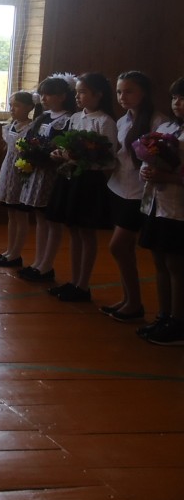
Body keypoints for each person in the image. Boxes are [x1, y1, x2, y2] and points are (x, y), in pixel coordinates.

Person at [45, 72, 118, 302]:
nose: (77, 97)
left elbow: (109, 160)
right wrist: (61, 154)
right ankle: (74, 281)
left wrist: (80, 158)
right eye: (76, 92)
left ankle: (83, 284)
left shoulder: (105, 121)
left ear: (98, 94)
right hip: (72, 178)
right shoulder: (76, 117)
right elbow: (70, 146)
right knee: (74, 232)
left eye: (83, 92)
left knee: (86, 233)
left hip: (89, 181)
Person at [102, 71, 168, 321]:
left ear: (144, 93)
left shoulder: (158, 122)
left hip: (140, 193)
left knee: (118, 246)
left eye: (129, 91)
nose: (123, 97)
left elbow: (163, 158)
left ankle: (135, 303)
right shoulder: (123, 121)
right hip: (118, 188)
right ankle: (130, 300)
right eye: (119, 92)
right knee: (125, 249)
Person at [136, 77, 184, 345]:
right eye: (175, 98)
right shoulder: (167, 127)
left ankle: (178, 321)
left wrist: (169, 177)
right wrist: (147, 170)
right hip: (157, 204)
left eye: (183, 99)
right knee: (159, 261)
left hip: (178, 208)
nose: (178, 103)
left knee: (176, 264)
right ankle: (164, 315)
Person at [16, 74, 77, 283]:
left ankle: (47, 264)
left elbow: (62, 145)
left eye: (49, 94)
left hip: (53, 173)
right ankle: (38, 263)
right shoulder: (44, 116)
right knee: (40, 219)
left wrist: (45, 154)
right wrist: (27, 150)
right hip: (38, 172)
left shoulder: (68, 119)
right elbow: (32, 138)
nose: (43, 98)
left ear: (62, 96)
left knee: (51, 220)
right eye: (42, 94)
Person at [0, 90, 39, 268]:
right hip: (9, 170)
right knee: (11, 214)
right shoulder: (11, 125)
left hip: (22, 172)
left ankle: (16, 253)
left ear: (29, 107)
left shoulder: (32, 128)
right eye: (11, 105)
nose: (12, 109)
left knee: (21, 215)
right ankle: (9, 251)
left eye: (16, 105)